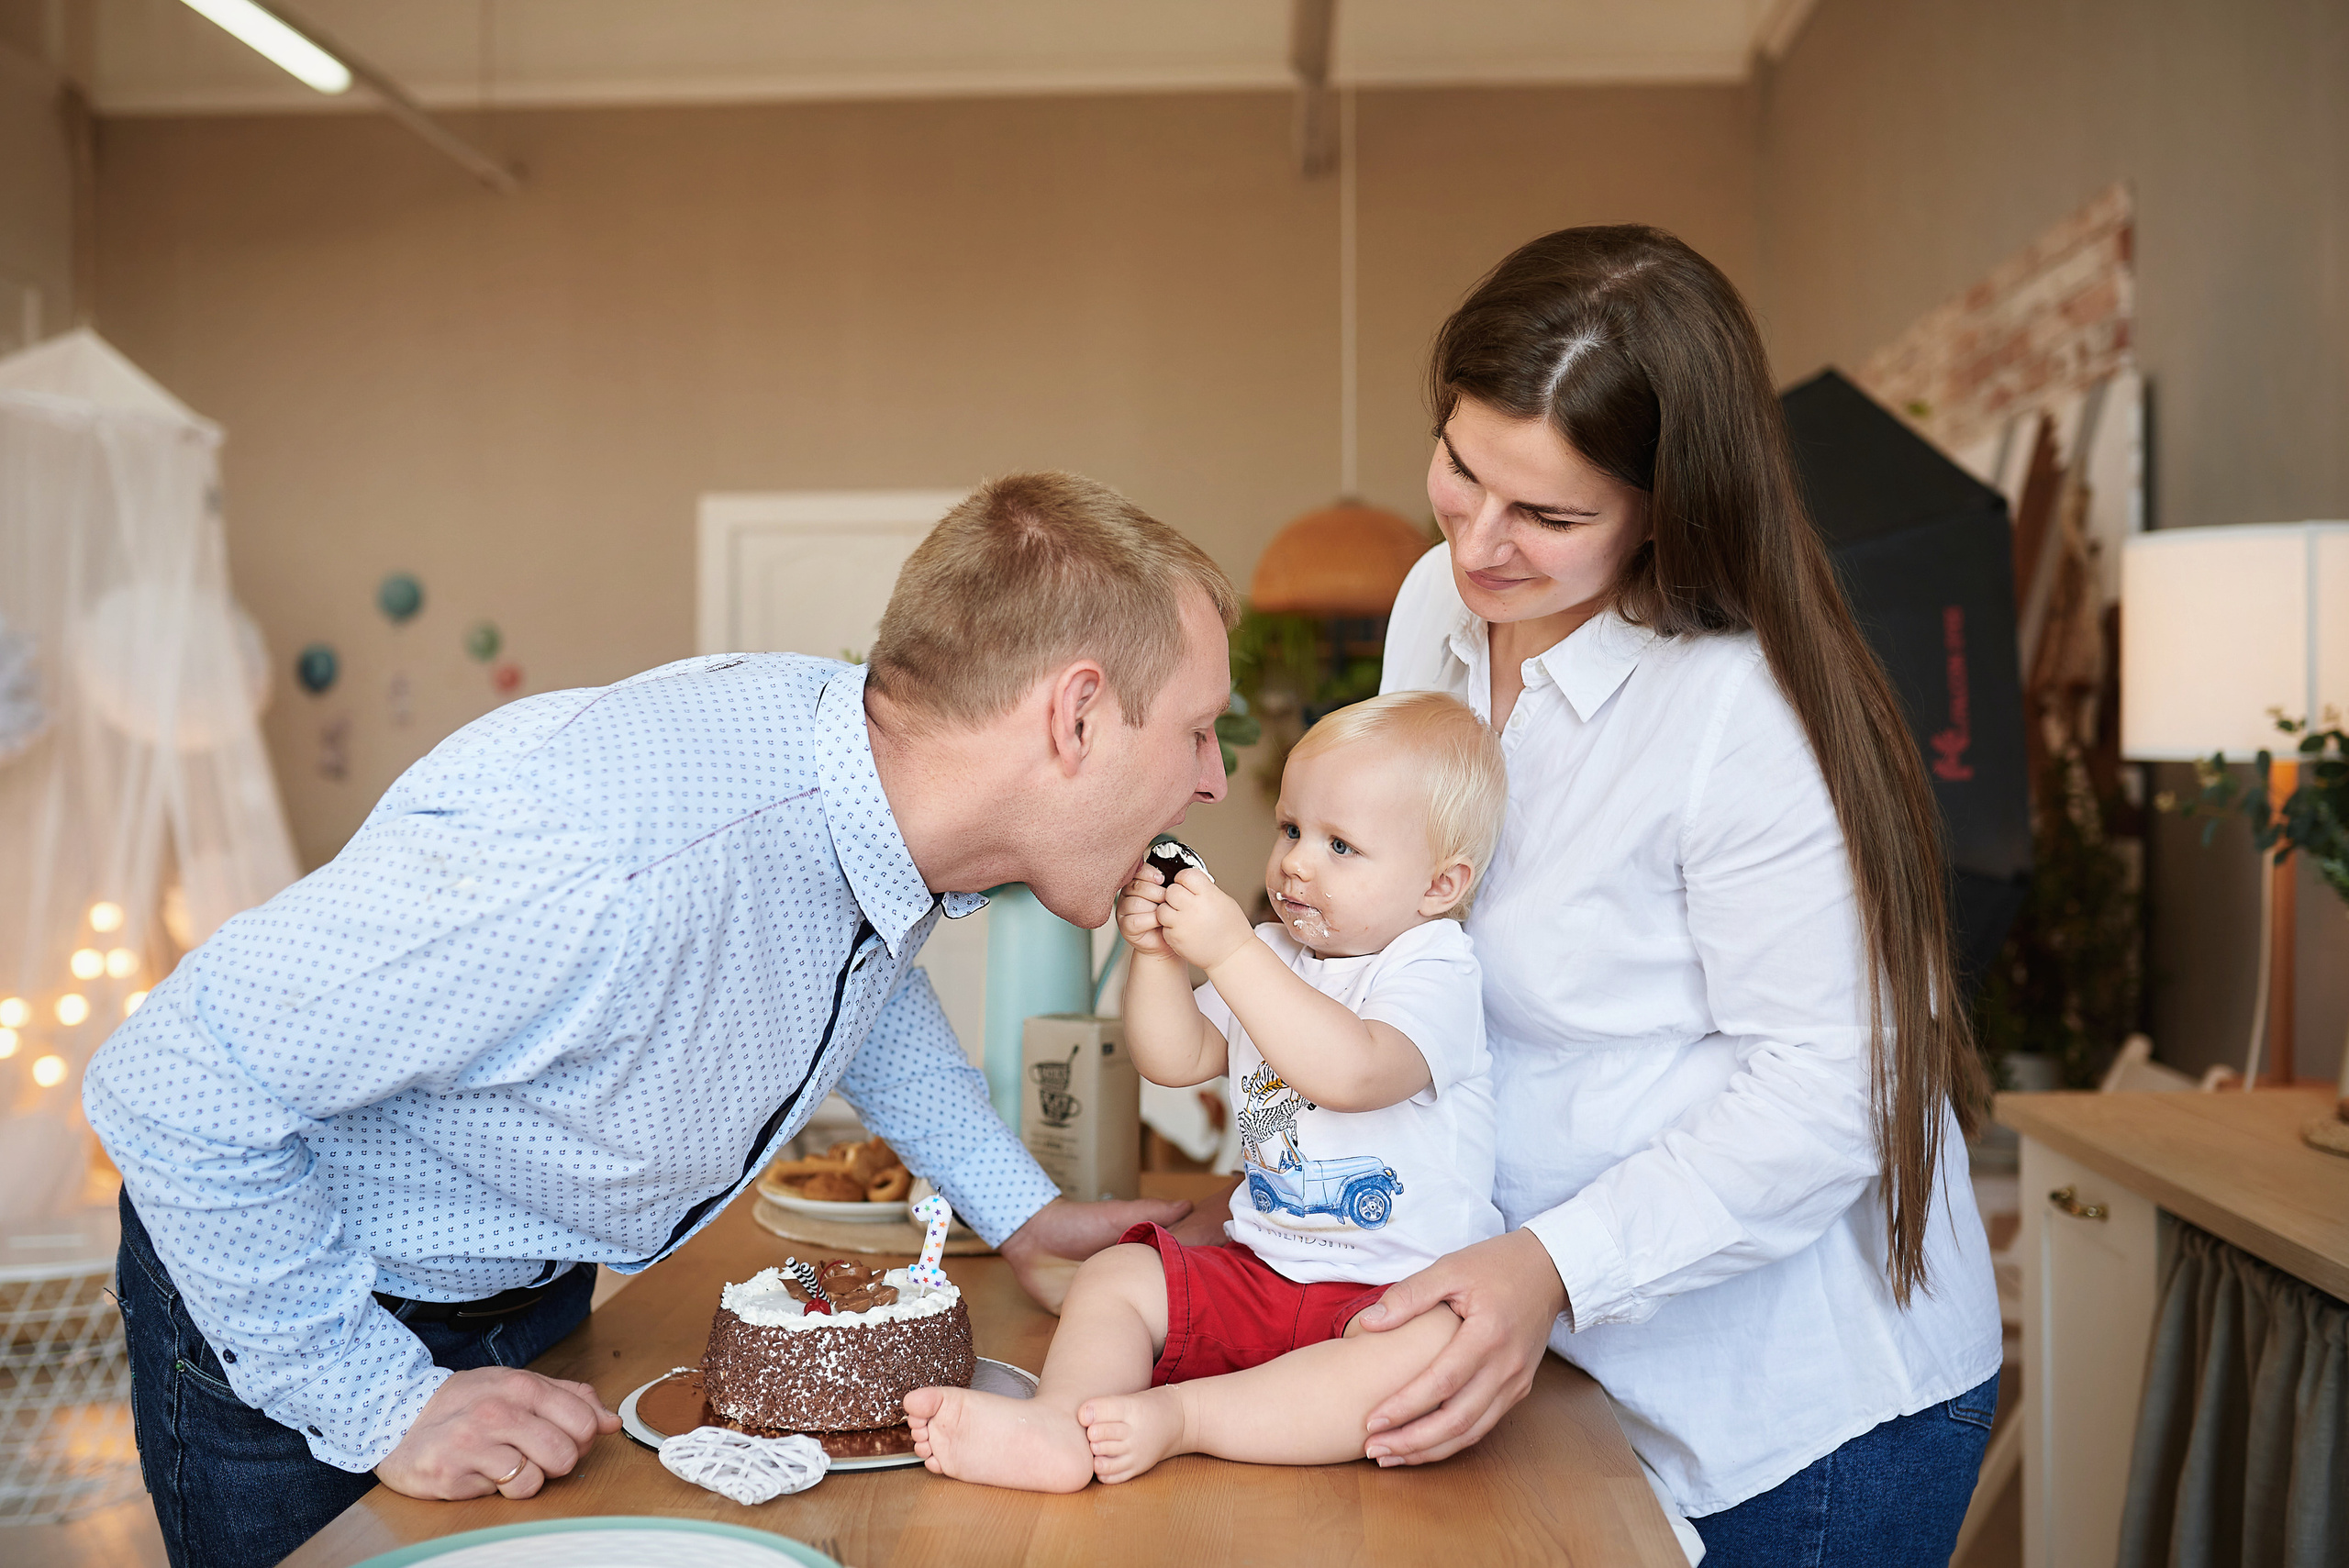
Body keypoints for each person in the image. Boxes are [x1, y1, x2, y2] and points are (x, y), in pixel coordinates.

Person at [84, 471, 1239, 1568]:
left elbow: (862, 981)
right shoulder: (608, 864)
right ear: (1076, 714)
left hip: (521, 1297)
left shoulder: (877, 798)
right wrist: (381, 1398)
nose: (1215, 782)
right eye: (1197, 730)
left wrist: (1020, 1212)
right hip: (298, 1313)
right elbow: (176, 1078)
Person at [1354, 227, 2003, 1566]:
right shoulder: (1433, 609)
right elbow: (1406, 900)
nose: (1480, 542)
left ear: (1670, 504)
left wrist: (1548, 1266)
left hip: (1797, 1413)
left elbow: (1830, 1095)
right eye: (1461, 469)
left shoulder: (1742, 712)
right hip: (1582, 1356)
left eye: (1547, 516)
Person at [906, 690, 1508, 1491]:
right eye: (1291, 829)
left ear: (1439, 885)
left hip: (1391, 1295)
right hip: (1263, 1270)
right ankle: (1059, 1423)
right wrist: (1157, 955)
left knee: (1430, 1358)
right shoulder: (1271, 954)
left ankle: (1187, 1418)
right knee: (1114, 1279)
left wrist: (1227, 951)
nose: (1296, 861)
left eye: (1341, 845)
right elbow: (1173, 1054)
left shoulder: (1434, 967)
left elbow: (1356, 1070)